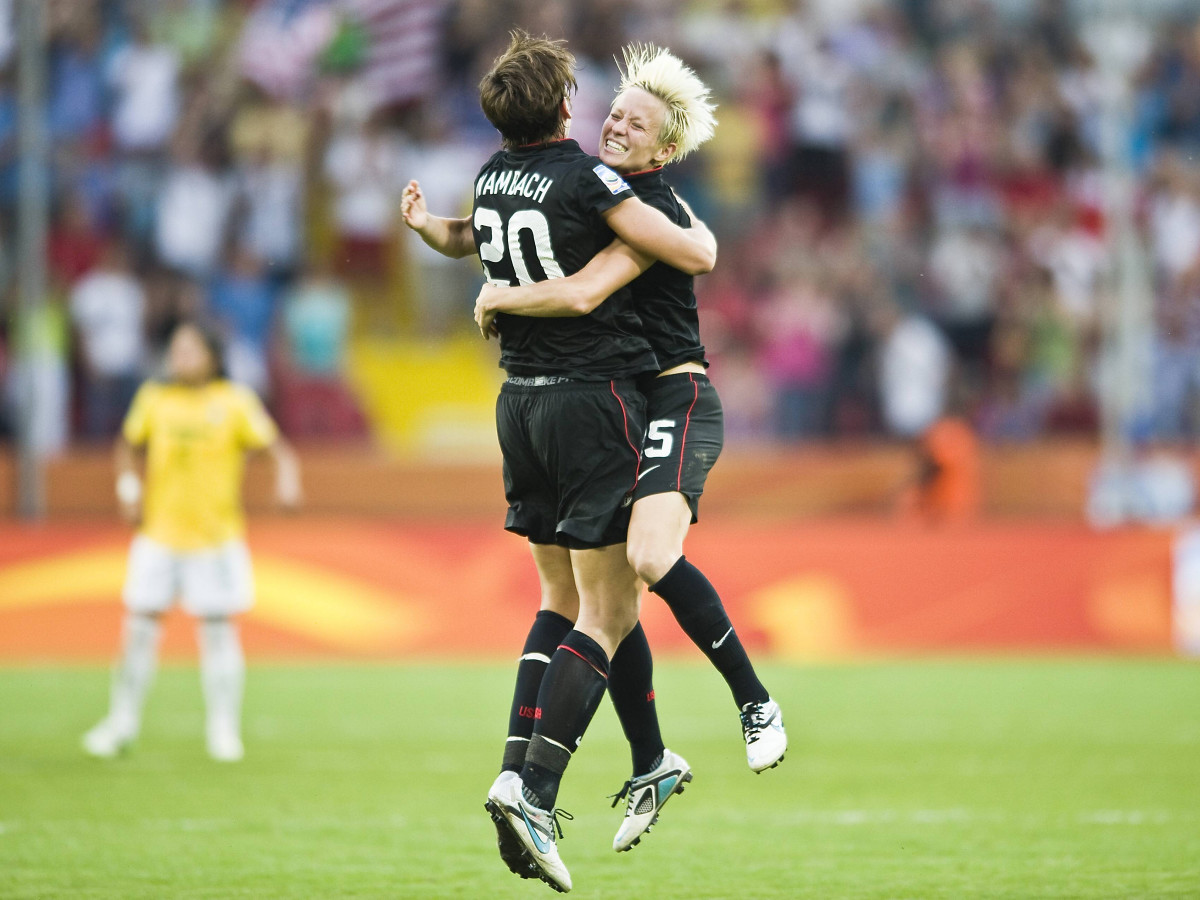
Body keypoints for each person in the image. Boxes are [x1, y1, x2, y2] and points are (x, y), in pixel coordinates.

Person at [401, 31, 717, 892]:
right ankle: (536, 789)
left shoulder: (494, 176)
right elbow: (689, 251)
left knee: (560, 595)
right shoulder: (589, 179)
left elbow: (467, 237)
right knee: (610, 612)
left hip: (516, 406)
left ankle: (532, 764)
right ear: (567, 106)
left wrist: (431, 228)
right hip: (590, 401)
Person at [474, 43, 786, 776]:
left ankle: (754, 697)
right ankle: (650, 760)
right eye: (614, 113)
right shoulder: (597, 192)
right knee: (607, 597)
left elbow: (585, 288)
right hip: (624, 400)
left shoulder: (645, 210)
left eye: (636, 125)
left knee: (644, 559)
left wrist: (498, 298)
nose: (615, 128)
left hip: (676, 393)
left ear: (666, 147)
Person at [82, 320, 301, 763]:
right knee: (139, 629)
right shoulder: (154, 398)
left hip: (215, 538)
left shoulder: (234, 402)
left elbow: (276, 448)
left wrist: (288, 482)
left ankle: (223, 729)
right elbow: (127, 446)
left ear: (213, 357)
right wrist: (129, 489)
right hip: (159, 535)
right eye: (175, 350)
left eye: (189, 350)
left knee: (219, 633)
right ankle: (121, 723)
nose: (179, 358)